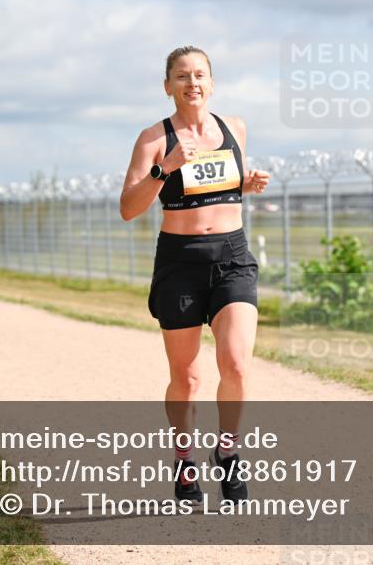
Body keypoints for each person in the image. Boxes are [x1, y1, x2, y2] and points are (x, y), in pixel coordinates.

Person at [119, 46, 270, 504]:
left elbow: (219, 184)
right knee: (187, 378)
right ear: (168, 86)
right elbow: (128, 208)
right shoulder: (153, 139)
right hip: (180, 261)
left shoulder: (234, 129)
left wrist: (247, 183)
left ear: (212, 82)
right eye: (182, 76)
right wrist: (165, 169)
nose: (192, 83)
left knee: (238, 363)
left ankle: (228, 451)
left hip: (232, 256)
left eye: (200, 74)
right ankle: (185, 463)